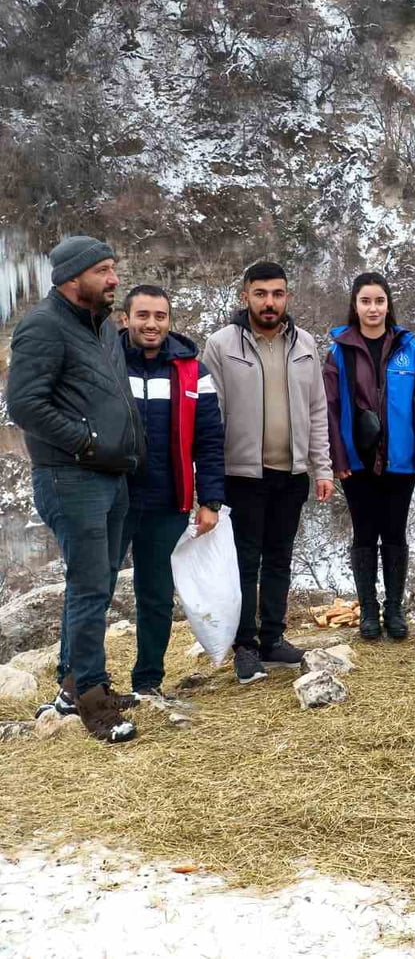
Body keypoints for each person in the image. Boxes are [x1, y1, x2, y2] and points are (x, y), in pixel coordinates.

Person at [6, 235, 145, 742]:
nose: (113, 279)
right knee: (89, 587)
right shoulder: (42, 327)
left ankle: (71, 683)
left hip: (111, 476)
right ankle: (90, 699)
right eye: (104, 271)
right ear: (72, 278)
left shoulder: (103, 328)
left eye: (113, 268)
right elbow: (23, 404)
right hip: (71, 477)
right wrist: (86, 444)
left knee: (100, 584)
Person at [202, 261, 334, 685]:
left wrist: (322, 468)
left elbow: (317, 411)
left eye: (277, 293)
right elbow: (210, 415)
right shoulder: (221, 345)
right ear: (245, 296)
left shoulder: (306, 345)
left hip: (291, 472)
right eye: (261, 293)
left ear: (287, 297)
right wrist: (207, 478)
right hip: (242, 474)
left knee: (279, 559)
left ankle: (273, 637)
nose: (269, 302)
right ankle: (245, 646)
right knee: (245, 562)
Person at [118, 285, 226, 698]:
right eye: (143, 315)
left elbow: (211, 440)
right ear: (125, 319)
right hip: (112, 500)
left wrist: (211, 500)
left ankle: (148, 682)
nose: (152, 324)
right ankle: (80, 684)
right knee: (94, 590)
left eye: (160, 316)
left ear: (169, 321)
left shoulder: (192, 372)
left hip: (167, 502)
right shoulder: (106, 362)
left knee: (157, 596)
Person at [325, 273, 415, 641]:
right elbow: (329, 407)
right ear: (355, 305)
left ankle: (394, 608)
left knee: (394, 530)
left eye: (379, 301)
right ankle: (369, 609)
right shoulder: (340, 351)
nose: (373, 308)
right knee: (364, 532)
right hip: (357, 458)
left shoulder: (410, 348)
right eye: (365, 301)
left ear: (388, 304)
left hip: (400, 458)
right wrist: (336, 457)